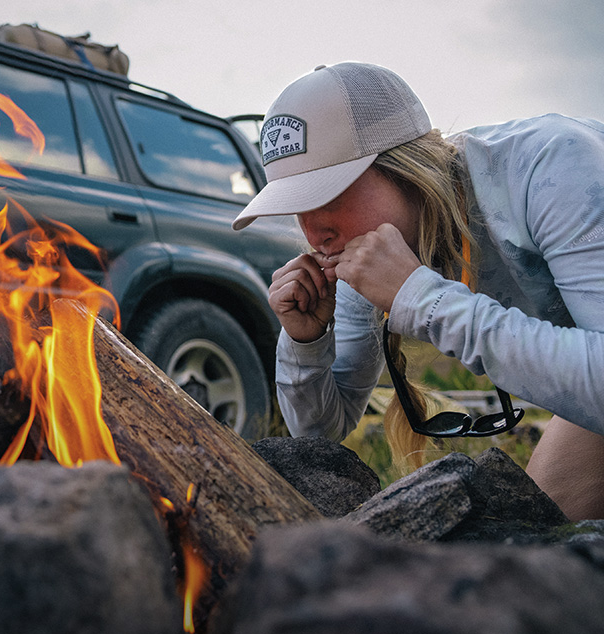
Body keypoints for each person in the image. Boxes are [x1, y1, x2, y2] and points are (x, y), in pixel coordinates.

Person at [232, 61, 604, 521]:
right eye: (295, 207)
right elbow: (320, 433)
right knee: (550, 537)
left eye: (327, 196)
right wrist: (306, 343)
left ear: (407, 169)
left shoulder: (554, 167)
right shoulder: (365, 249)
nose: (314, 234)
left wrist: (422, 300)